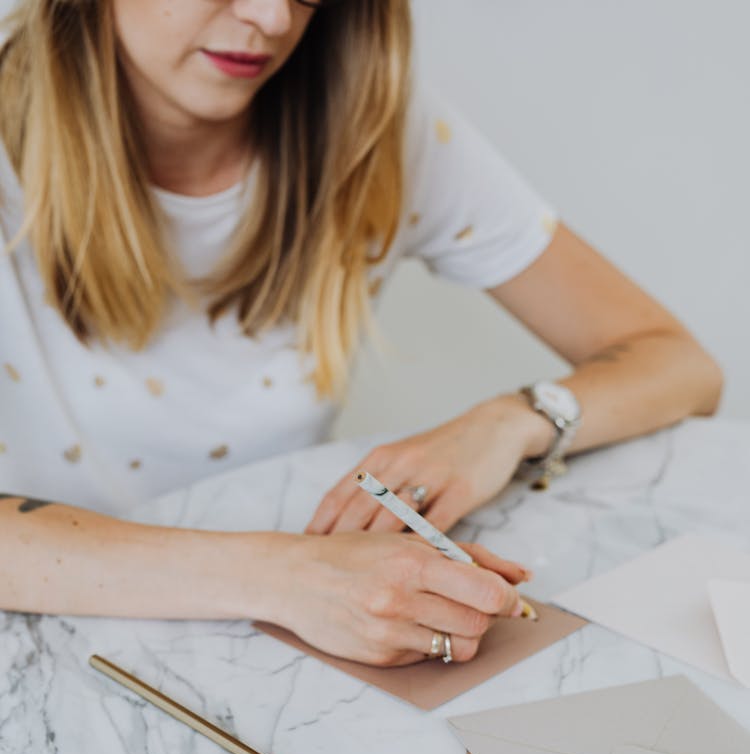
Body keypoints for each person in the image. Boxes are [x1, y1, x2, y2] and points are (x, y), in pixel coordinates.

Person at [0, 0, 722, 667]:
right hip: (43, 646)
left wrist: (508, 423)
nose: (273, 18)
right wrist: (285, 577)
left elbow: (681, 366)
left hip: (289, 639)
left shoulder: (368, 130)